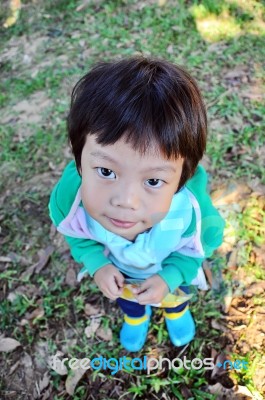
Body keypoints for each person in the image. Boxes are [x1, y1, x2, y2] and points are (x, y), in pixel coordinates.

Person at [49, 57, 225, 352]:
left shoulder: (191, 216)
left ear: (182, 177)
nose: (125, 202)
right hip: (122, 275)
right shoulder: (72, 203)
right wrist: (98, 265)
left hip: (171, 275)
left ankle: (176, 312)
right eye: (106, 172)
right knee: (129, 301)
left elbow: (192, 252)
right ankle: (135, 317)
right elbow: (78, 236)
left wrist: (170, 277)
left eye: (153, 181)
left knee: (176, 297)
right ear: (79, 158)